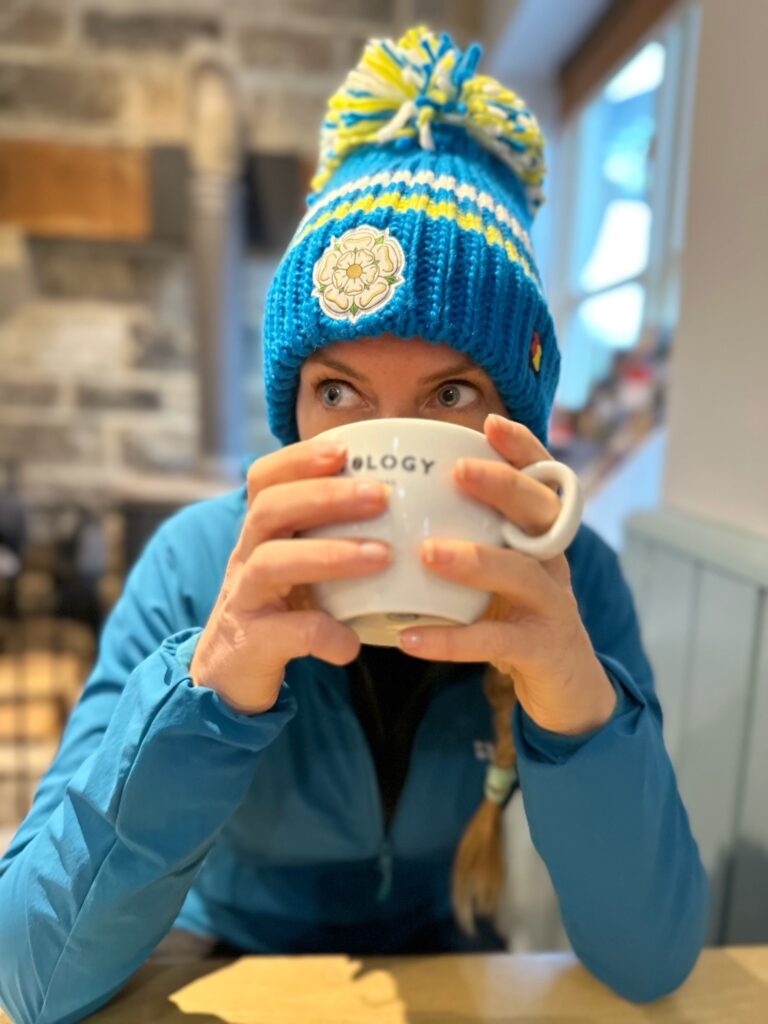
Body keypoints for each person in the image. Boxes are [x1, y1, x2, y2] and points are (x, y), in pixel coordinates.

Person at [0, 24, 708, 1024]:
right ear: (291, 410)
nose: (391, 446)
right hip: (221, 953)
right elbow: (28, 980)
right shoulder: (200, 563)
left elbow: (650, 962)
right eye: (338, 391)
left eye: (452, 394)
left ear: (518, 425)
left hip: (442, 956)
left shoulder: (568, 578)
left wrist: (578, 710)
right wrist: (211, 689)